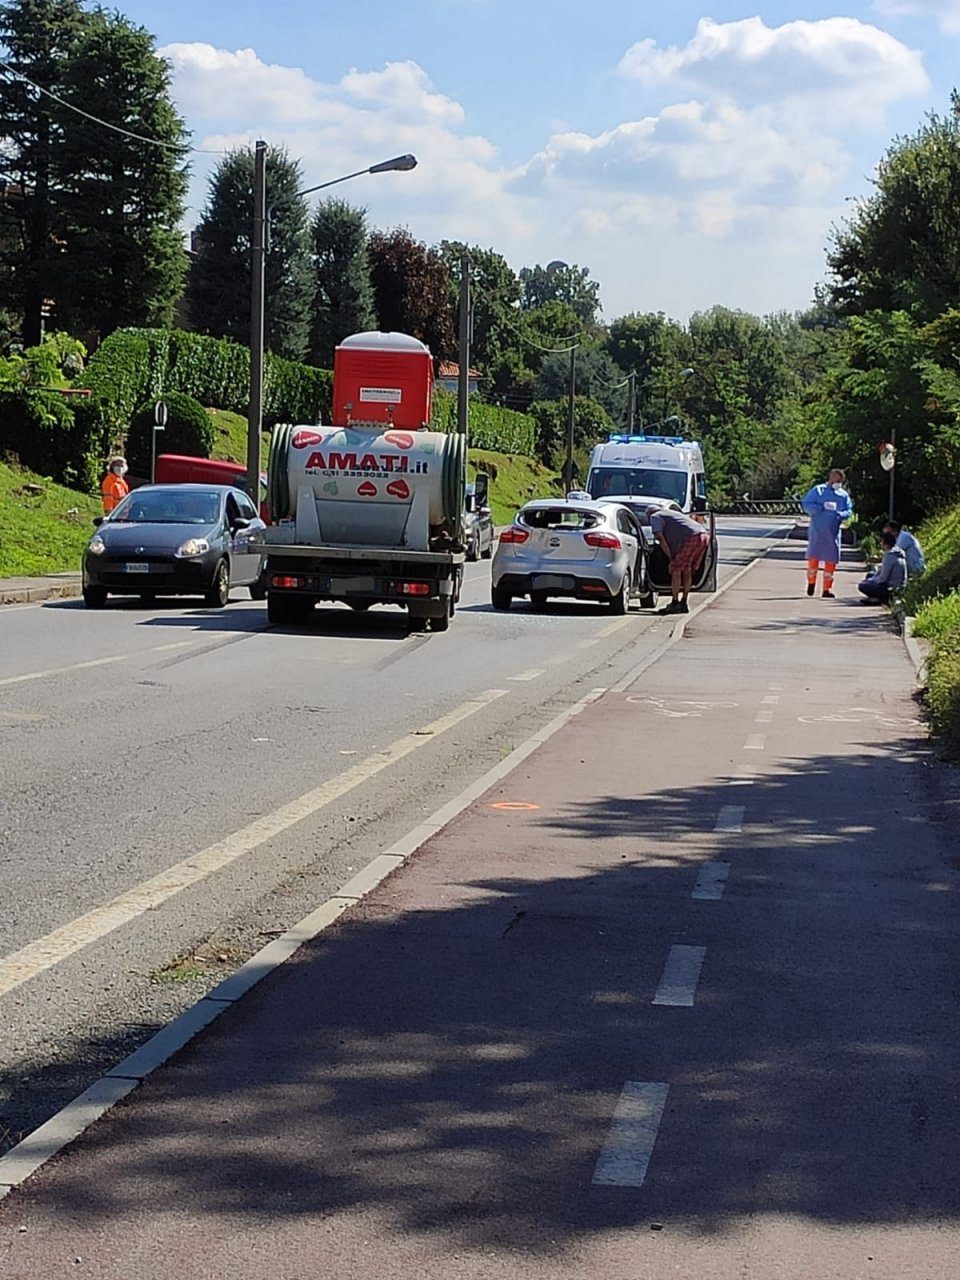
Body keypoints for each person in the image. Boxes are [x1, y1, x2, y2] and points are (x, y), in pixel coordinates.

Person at [801, 467, 854, 598]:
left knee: (831, 561)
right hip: (817, 531)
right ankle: (811, 583)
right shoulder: (818, 491)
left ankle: (826, 589)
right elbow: (806, 504)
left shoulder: (843, 495)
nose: (838, 483)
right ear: (831, 479)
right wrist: (819, 508)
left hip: (833, 533)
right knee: (814, 559)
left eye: (841, 481)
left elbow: (849, 510)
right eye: (837, 480)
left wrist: (841, 514)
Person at [648, 505, 710, 613]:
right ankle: (684, 602)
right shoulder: (671, 514)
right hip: (703, 536)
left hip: (692, 537)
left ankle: (675, 602)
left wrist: (670, 558)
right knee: (687, 569)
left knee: (675, 569)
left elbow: (660, 538)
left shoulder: (655, 516)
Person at [858, 530, 906, 604]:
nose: (881, 544)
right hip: (896, 584)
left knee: (862, 586)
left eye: (882, 542)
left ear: (886, 544)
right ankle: (875, 597)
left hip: (890, 587)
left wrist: (871, 581)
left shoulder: (890, 556)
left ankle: (880, 599)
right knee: (870, 575)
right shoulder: (896, 552)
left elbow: (883, 578)